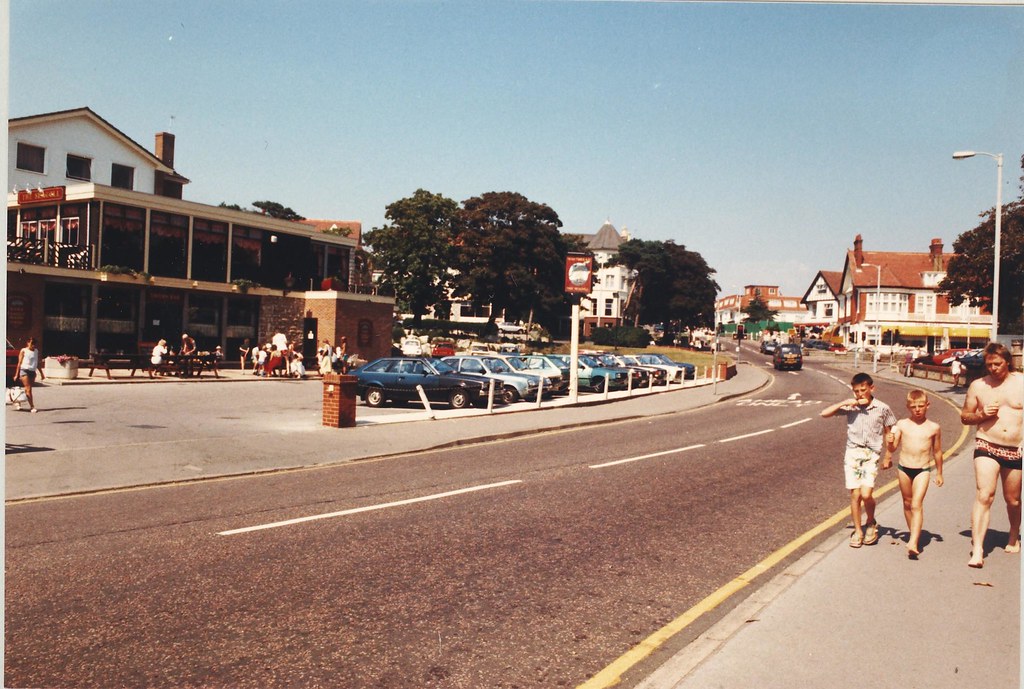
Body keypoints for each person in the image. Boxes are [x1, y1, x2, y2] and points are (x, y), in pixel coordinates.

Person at [960, 341, 1023, 568]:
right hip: (987, 443)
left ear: (1007, 361)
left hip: (1016, 449)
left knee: (1013, 500)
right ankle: (978, 550)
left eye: (997, 363)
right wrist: (981, 415)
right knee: (984, 494)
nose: (993, 368)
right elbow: (965, 416)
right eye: (989, 365)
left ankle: (1013, 534)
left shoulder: (1021, 383)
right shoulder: (978, 386)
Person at [820, 372, 898, 548]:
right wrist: (845, 402)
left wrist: (888, 455)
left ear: (871, 388)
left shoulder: (882, 408)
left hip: (871, 454)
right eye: (856, 391)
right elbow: (824, 414)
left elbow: (889, 432)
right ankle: (858, 530)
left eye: (863, 390)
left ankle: (870, 521)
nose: (860, 394)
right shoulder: (851, 407)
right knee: (855, 494)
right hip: (853, 453)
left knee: (866, 494)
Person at [886, 389, 944, 559]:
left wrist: (939, 473)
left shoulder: (934, 427)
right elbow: (893, 447)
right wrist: (889, 442)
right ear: (908, 407)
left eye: (921, 406)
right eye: (913, 407)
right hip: (904, 468)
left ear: (927, 405)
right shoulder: (902, 424)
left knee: (916, 504)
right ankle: (914, 534)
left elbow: (938, 452)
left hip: (923, 470)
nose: (917, 409)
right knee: (907, 503)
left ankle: (913, 541)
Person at [14, 337, 44, 412]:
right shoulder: (23, 351)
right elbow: (19, 363)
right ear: (27, 343)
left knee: (26, 389)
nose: (33, 345)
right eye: (31, 343)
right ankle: (32, 407)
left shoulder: (36, 351)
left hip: (32, 372)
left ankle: (17, 401)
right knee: (28, 389)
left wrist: (41, 373)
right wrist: (16, 374)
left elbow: (37, 363)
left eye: (34, 344)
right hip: (24, 371)